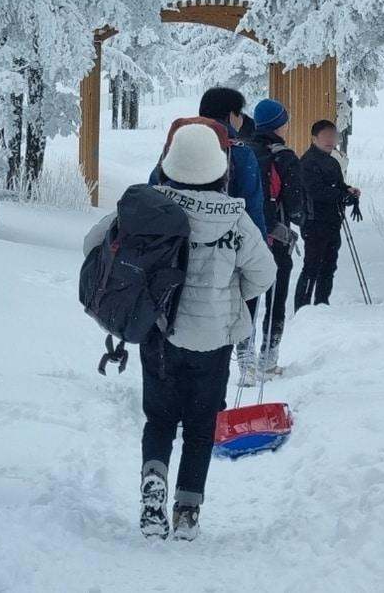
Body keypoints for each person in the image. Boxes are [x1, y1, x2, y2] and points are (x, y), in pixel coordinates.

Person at [84, 119, 274, 541]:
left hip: (159, 333)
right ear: (219, 167)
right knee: (202, 425)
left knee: (160, 418)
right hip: (214, 340)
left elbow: (92, 246)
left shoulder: (147, 209)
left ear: (169, 163)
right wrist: (231, 293)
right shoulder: (235, 219)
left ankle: (153, 483)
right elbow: (265, 274)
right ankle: (188, 508)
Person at [237, 98, 303, 378]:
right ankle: (268, 359)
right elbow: (296, 204)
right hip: (275, 237)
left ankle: (245, 361)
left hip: (243, 238)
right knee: (276, 298)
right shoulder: (284, 156)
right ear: (280, 124)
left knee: (248, 296)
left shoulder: (242, 150)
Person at [148, 87, 266, 240]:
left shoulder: (180, 142)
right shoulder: (240, 153)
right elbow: (252, 206)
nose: (242, 119)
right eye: (240, 113)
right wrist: (261, 246)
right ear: (230, 115)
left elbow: (154, 186)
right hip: (221, 243)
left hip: (174, 240)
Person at [295, 119, 360, 308]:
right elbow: (315, 191)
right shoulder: (307, 162)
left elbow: (337, 186)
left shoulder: (332, 161)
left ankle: (322, 304)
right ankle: (302, 307)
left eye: (334, 136)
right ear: (314, 138)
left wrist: (348, 191)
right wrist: (341, 195)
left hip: (333, 222)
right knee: (311, 267)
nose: (331, 140)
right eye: (326, 136)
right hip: (314, 222)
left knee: (329, 267)